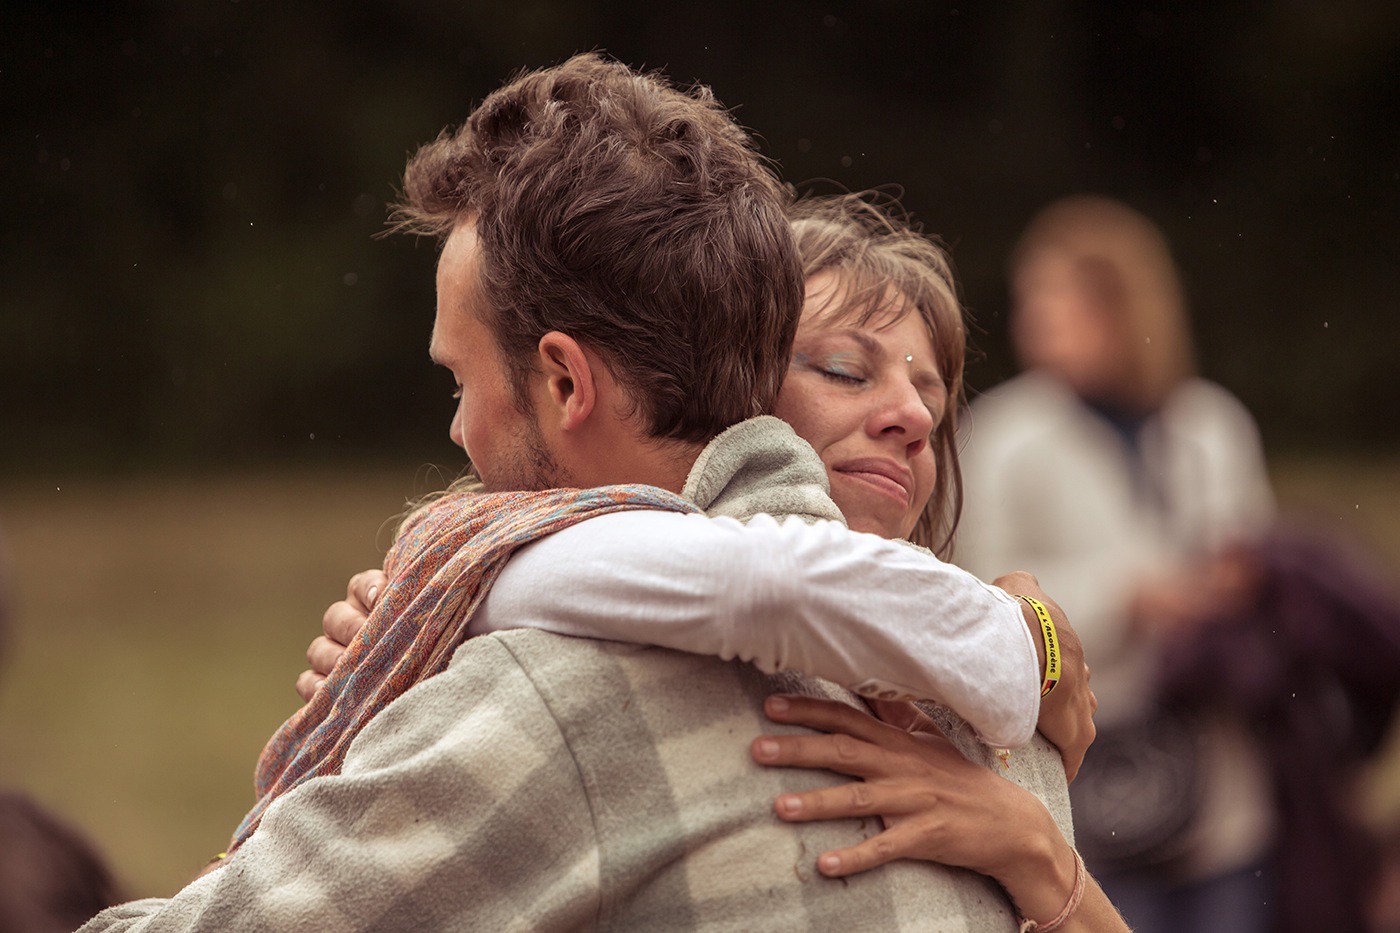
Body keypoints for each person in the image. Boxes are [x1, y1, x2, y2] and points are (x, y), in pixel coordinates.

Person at [81, 58, 1094, 931]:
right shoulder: (984, 719)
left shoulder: (553, 700)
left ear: (566, 382)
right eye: (843, 369)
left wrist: (444, 620)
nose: (456, 430)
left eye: (458, 380)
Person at [295, 193, 1127, 931]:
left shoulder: (990, 707)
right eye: (845, 370)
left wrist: (1036, 851)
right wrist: (434, 609)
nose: (910, 414)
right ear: (724, 388)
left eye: (934, 402)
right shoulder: (571, 674)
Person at [955, 195, 1277, 933]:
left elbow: (1250, 558)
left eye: (1056, 298)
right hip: (1089, 772)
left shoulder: (1211, 425)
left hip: (1217, 770)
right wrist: (1124, 595)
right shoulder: (1004, 436)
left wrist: (1233, 588)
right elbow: (981, 593)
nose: (1033, 319)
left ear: (1123, 306)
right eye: (1029, 299)